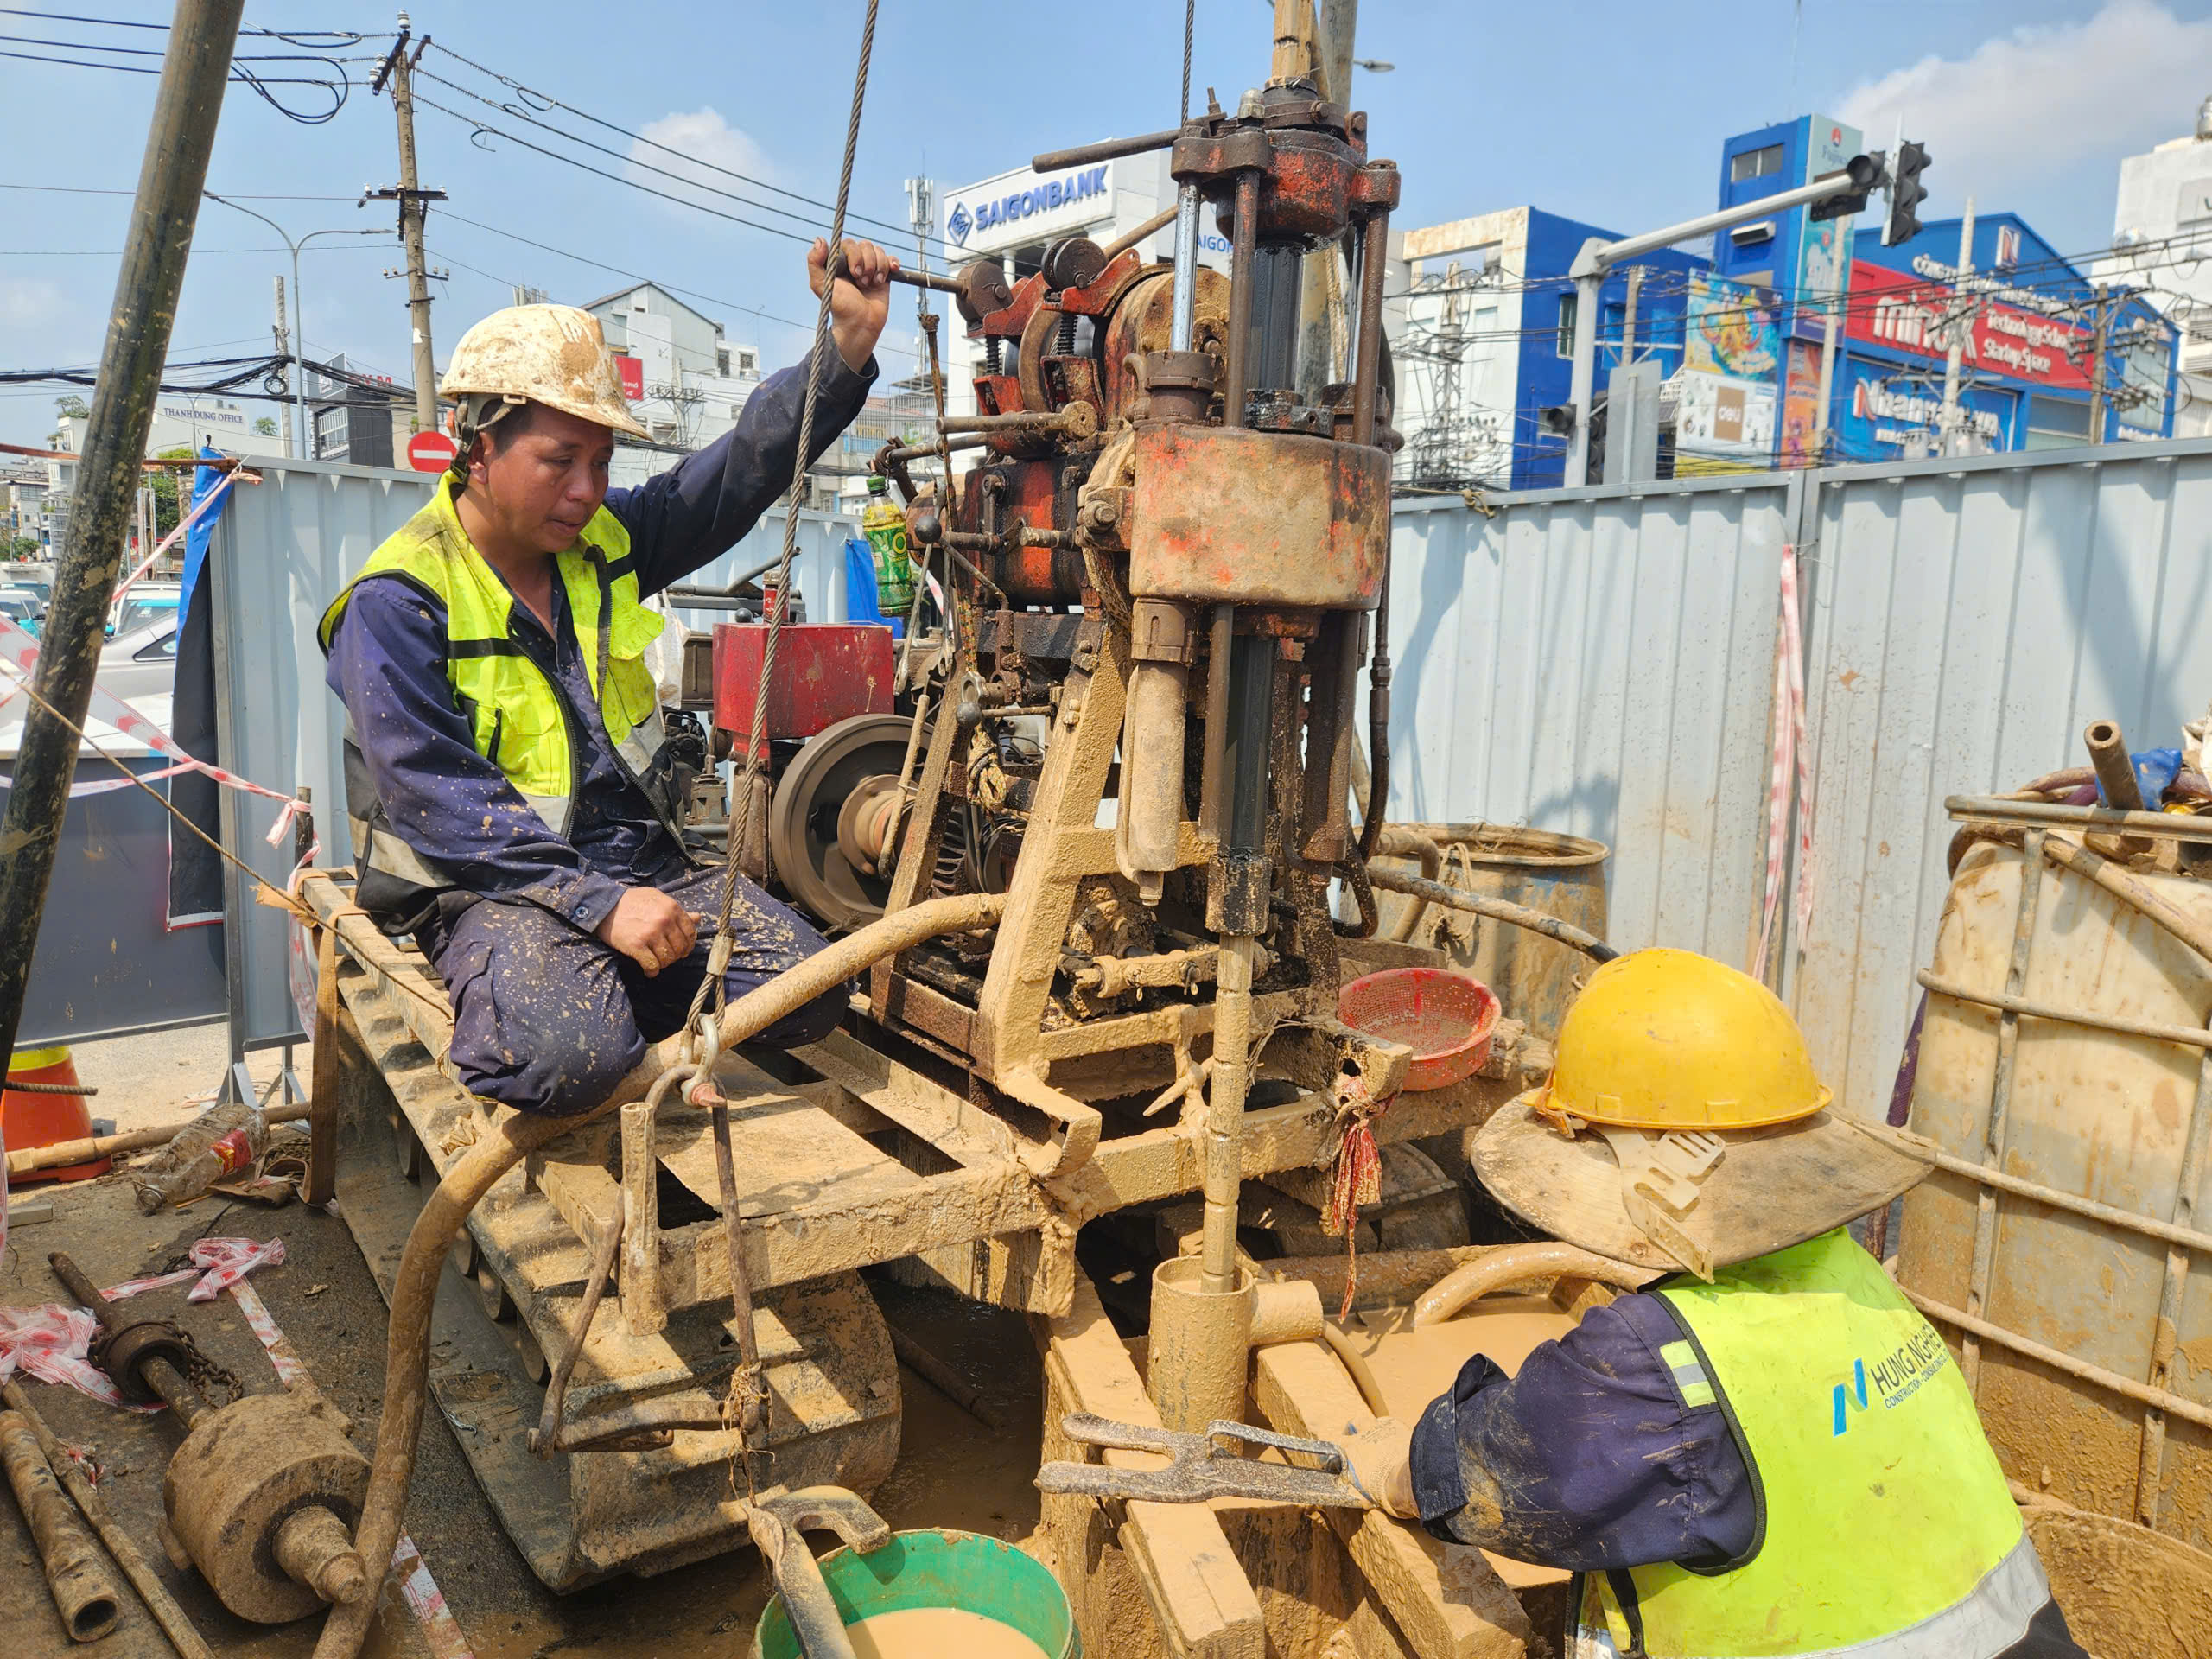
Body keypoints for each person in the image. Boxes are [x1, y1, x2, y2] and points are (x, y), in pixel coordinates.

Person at [1343, 949, 2088, 1659]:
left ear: (1642, 1173)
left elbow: (1511, 1469)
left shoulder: (1647, 1364)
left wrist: (1402, 1466)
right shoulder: (1857, 1276)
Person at [319, 239, 897, 1116]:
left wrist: (844, 348)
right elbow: (437, 800)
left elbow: (734, 474)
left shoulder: (604, 547)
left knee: (813, 989)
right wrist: (595, 907)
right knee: (562, 1059)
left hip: (640, 868)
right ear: (477, 451)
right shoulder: (399, 602)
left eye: (600, 463)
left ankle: (610, 1010)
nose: (588, 490)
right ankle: (577, 1014)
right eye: (560, 460)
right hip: (494, 891)